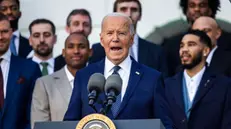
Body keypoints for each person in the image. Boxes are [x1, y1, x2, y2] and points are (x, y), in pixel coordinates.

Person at [64, 13, 173, 129]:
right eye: (110, 33)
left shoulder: (152, 78)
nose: (115, 39)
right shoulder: (84, 76)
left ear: (131, 40)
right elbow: (70, 122)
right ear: (102, 40)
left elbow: (165, 125)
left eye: (121, 33)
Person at [164, 30, 231, 129]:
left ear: (205, 51)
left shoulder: (224, 85)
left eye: (191, 45)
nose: (184, 49)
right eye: (182, 46)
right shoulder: (166, 85)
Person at [90, 0, 168, 76]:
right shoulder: (98, 50)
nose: (129, 14)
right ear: (114, 14)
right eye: (123, 9)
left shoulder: (156, 52)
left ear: (140, 15)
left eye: (134, 10)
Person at [31, 32, 92, 128]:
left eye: (81, 46)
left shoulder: (100, 81)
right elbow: (41, 125)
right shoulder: (45, 84)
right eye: (71, 47)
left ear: (90, 52)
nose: (76, 51)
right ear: (63, 52)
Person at [162, 0, 231, 76]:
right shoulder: (172, 45)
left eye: (202, 5)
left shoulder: (228, 41)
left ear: (211, 9)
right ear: (186, 10)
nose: (197, 9)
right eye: (192, 5)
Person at [0, 13, 41, 129]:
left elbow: (34, 112)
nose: (0, 37)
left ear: (11, 32)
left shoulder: (30, 68)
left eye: (4, 31)